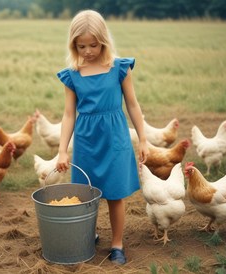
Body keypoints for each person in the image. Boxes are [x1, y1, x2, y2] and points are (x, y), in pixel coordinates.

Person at [55, 10, 149, 265]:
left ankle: (117, 244)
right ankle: (89, 234)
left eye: (93, 45)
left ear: (104, 41)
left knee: (115, 193)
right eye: (81, 45)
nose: (87, 51)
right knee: (87, 193)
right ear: (73, 44)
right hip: (86, 141)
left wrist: (143, 138)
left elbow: (132, 105)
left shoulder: (119, 68)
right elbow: (68, 115)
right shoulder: (72, 74)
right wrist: (63, 150)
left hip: (115, 139)